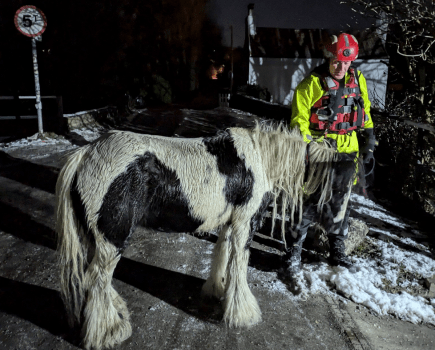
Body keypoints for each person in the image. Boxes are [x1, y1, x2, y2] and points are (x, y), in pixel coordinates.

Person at [286, 33, 377, 274]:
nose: (341, 67)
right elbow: (298, 122)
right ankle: (294, 249)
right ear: (328, 57)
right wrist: (308, 150)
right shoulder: (311, 85)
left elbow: (364, 110)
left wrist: (369, 138)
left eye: (346, 63)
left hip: (348, 152)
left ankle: (338, 250)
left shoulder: (358, 80)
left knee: (342, 203)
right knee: (307, 201)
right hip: (319, 152)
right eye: (337, 61)